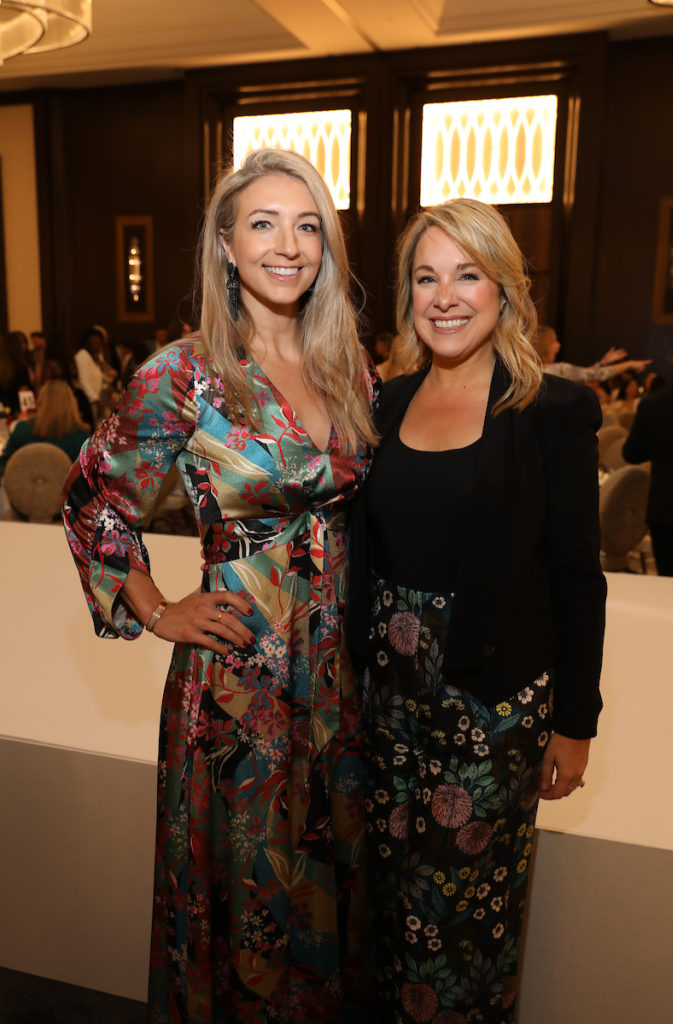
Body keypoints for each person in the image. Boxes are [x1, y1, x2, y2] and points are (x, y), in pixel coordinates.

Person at [62, 148, 377, 1023]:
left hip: (338, 684)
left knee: (331, 891)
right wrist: (160, 609)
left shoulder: (350, 369)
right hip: (240, 687)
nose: (289, 245)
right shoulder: (186, 371)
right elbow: (92, 498)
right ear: (227, 247)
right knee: (245, 901)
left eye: (307, 225)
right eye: (265, 224)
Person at [348, 199, 606, 1023]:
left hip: (491, 703)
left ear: (504, 289)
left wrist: (575, 720)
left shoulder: (551, 411)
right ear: (406, 295)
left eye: (466, 274)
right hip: (386, 699)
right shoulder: (382, 405)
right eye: (425, 277)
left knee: (458, 914)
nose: (444, 295)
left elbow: (576, 575)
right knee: (389, 895)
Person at [623, 341, 673, 577]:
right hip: (667, 511)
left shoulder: (654, 403)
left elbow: (632, 453)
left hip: (667, 509)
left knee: (670, 586)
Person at [0, 379, 90, 476]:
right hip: (68, 489)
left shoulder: (22, 429)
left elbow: (5, 465)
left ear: (40, 400)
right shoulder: (83, 436)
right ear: (72, 403)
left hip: (26, 488)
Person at [536, 324, 649, 383]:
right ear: (545, 345)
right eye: (554, 341)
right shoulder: (558, 370)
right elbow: (595, 375)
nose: (559, 345)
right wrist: (629, 364)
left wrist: (603, 362)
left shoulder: (532, 371)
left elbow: (584, 373)